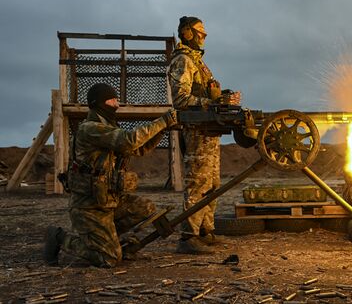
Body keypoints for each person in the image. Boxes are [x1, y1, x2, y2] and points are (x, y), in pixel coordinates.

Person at [43, 83, 179, 267]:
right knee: (110, 259)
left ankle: (107, 238)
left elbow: (140, 148)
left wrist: (163, 129)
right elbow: (128, 141)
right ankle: (60, 237)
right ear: (99, 103)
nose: (117, 104)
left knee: (145, 208)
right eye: (112, 100)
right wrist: (163, 121)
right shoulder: (90, 128)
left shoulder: (109, 128)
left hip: (109, 200)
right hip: (89, 207)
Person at [167, 16, 240, 254]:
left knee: (212, 183)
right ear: (188, 33)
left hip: (208, 131)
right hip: (197, 130)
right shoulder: (183, 61)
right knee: (197, 183)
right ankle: (188, 236)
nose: (203, 36)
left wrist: (221, 99)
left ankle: (205, 231)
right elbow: (181, 100)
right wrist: (212, 102)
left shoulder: (198, 62)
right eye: (200, 32)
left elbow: (205, 94)